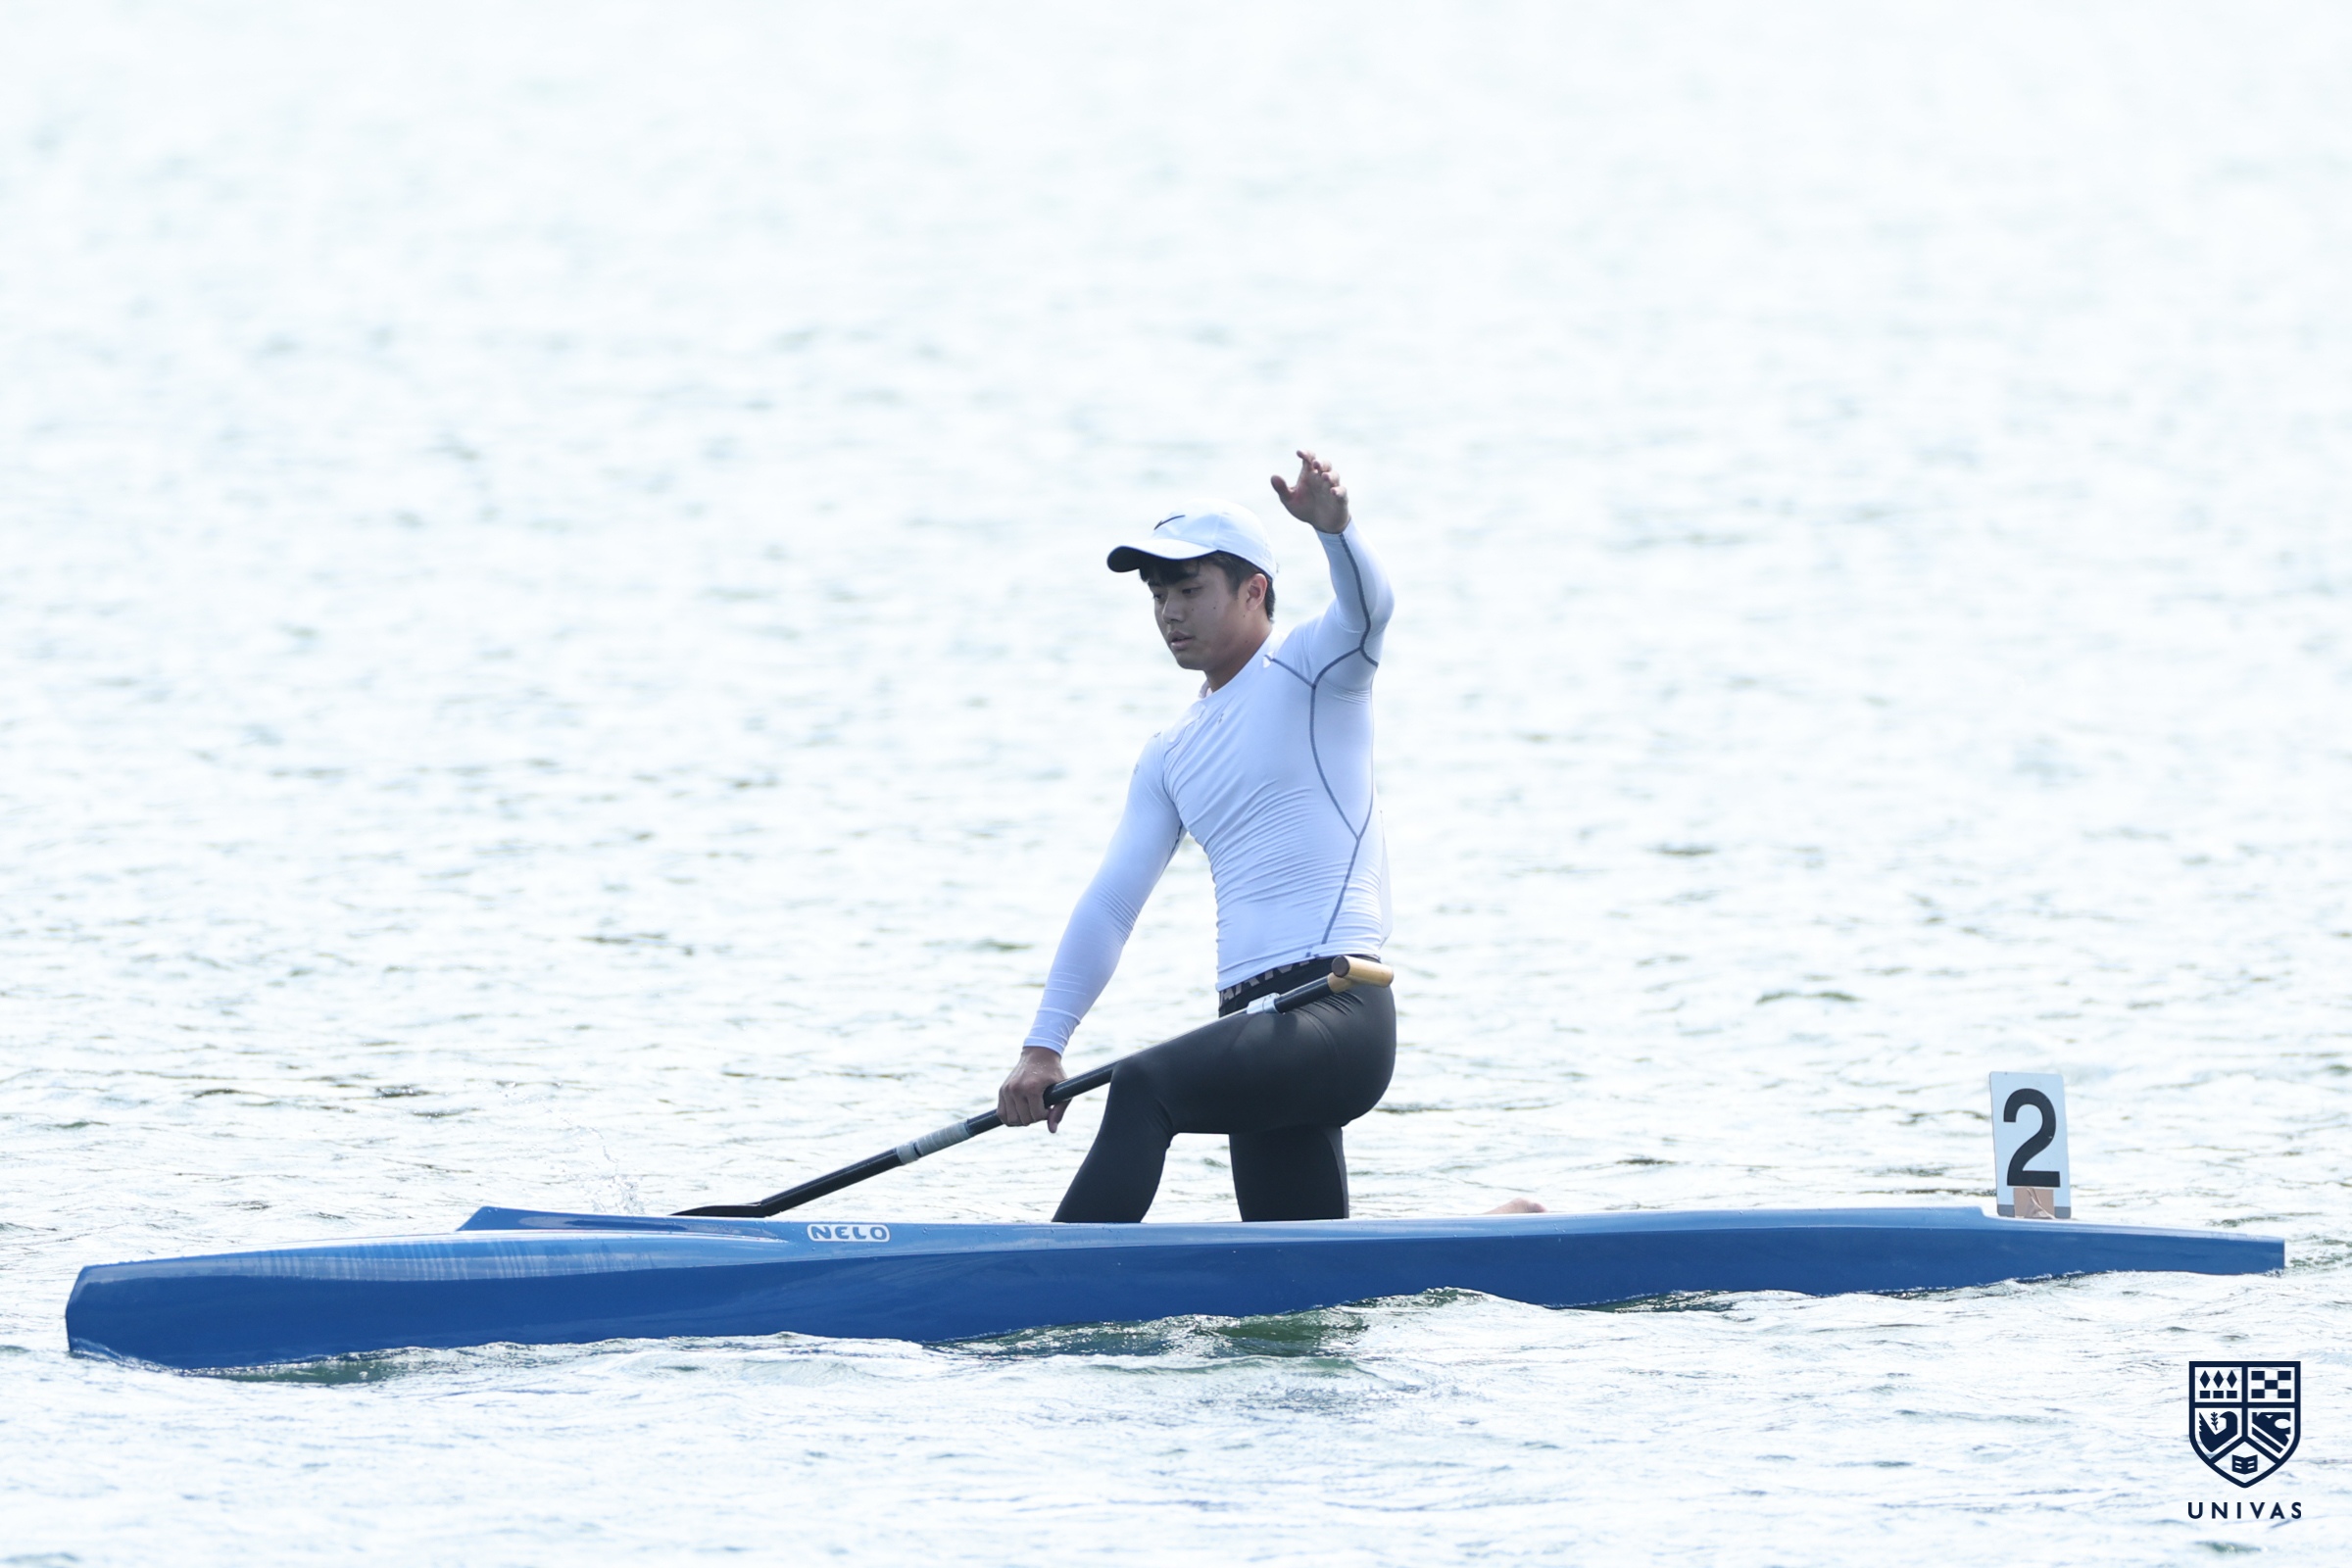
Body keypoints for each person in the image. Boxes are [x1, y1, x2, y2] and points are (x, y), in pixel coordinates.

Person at [997, 451, 1401, 1222]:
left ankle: (1051, 1280)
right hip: (1254, 1028)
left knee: (1146, 1085)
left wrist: (1336, 530)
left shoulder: (1316, 668)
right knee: (1298, 1274)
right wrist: (1043, 1046)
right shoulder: (1170, 754)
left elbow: (1371, 610)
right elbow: (1111, 906)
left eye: (1190, 590)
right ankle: (1512, 1228)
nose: (1169, 612)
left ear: (1255, 591)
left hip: (1338, 1011)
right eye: (1158, 594)